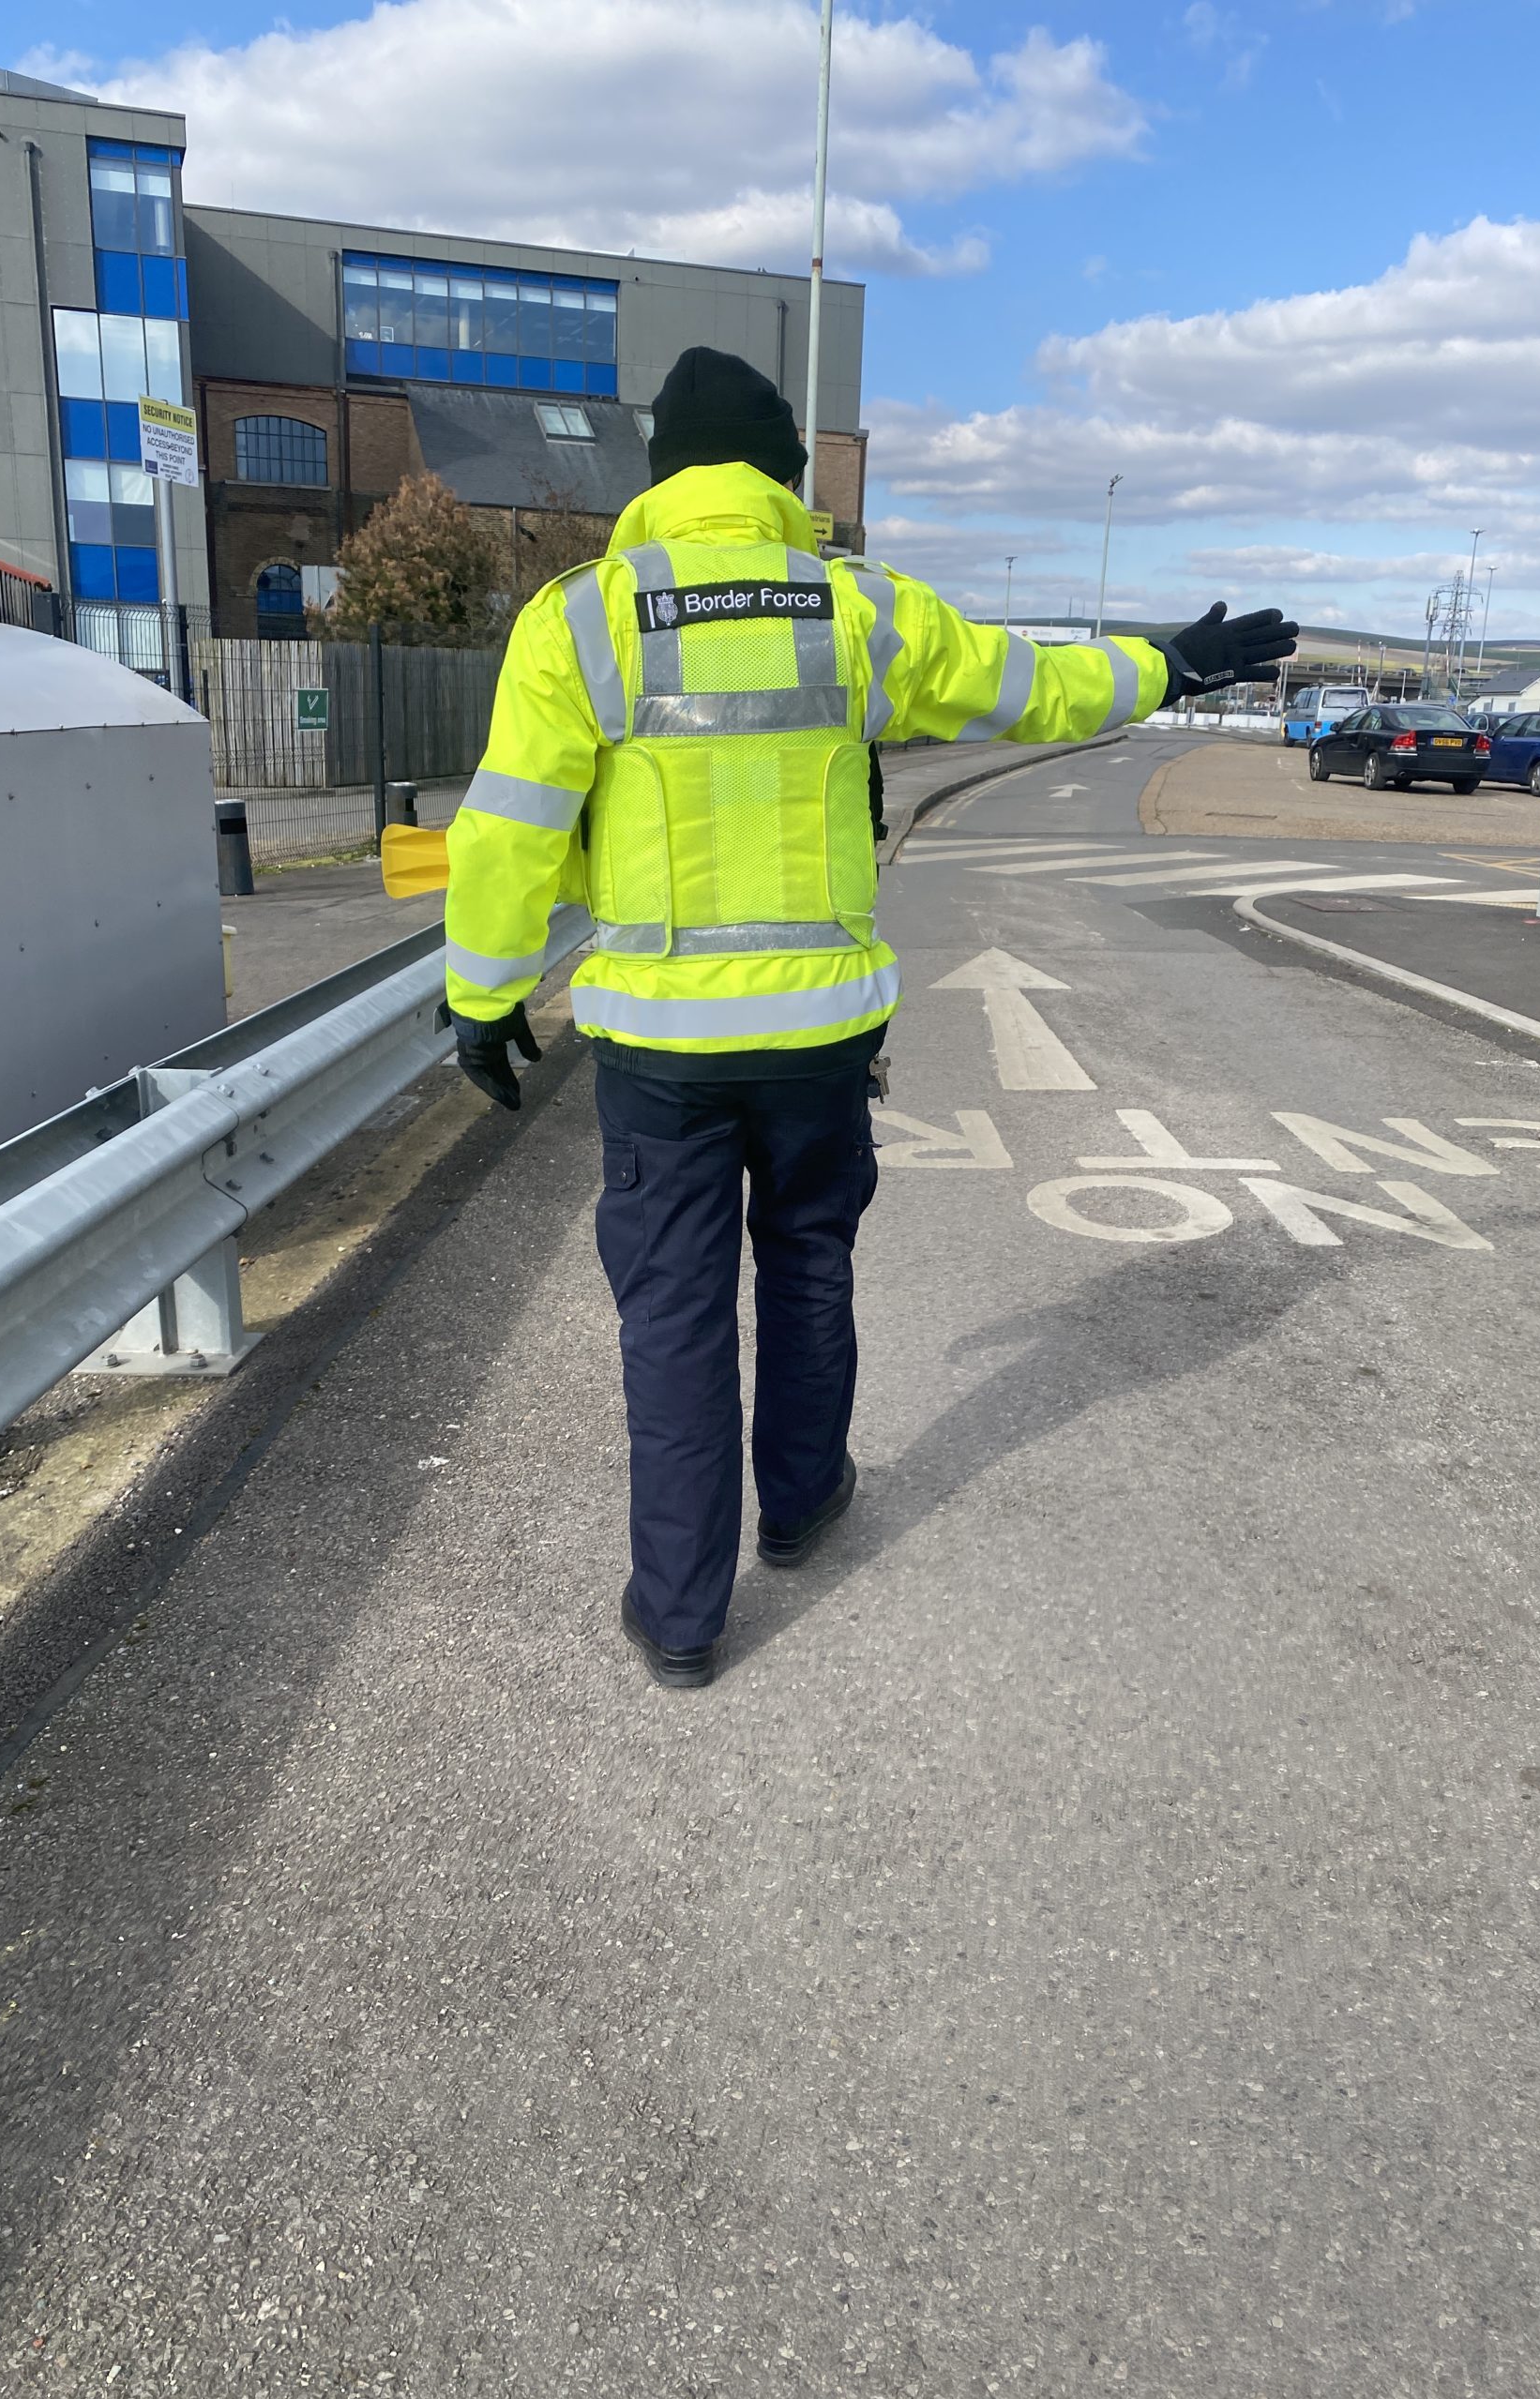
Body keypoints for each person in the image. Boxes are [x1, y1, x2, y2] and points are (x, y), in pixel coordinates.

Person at [445, 347, 1295, 1688]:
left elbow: (510, 831)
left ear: (660, 475)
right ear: (786, 474)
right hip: (822, 1033)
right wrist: (1170, 665)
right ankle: (800, 1507)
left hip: (658, 1048)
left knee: (669, 1315)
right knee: (806, 1261)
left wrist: (482, 999)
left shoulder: (581, 620)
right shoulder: (854, 608)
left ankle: (679, 1615)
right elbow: (1027, 683)